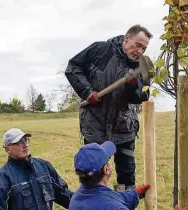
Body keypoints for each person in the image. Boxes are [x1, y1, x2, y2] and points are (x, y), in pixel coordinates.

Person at [65, 24, 153, 189]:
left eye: (144, 48)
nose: (140, 51)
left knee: (126, 176)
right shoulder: (100, 50)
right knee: (93, 173)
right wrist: (87, 92)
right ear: (127, 39)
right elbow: (73, 68)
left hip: (124, 127)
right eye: (138, 45)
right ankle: (94, 209)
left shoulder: (142, 65)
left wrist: (133, 85)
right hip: (94, 124)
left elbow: (142, 96)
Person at [0, 128, 74, 210]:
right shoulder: (0, 180)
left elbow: (63, 193)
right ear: (8, 149)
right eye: (19, 142)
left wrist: (84, 202)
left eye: (26, 140)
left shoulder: (44, 166)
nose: (25, 144)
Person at [68, 141, 151, 210]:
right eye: (109, 160)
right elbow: (112, 206)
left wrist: (135, 194)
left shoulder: (76, 199)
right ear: (106, 169)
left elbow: (109, 200)